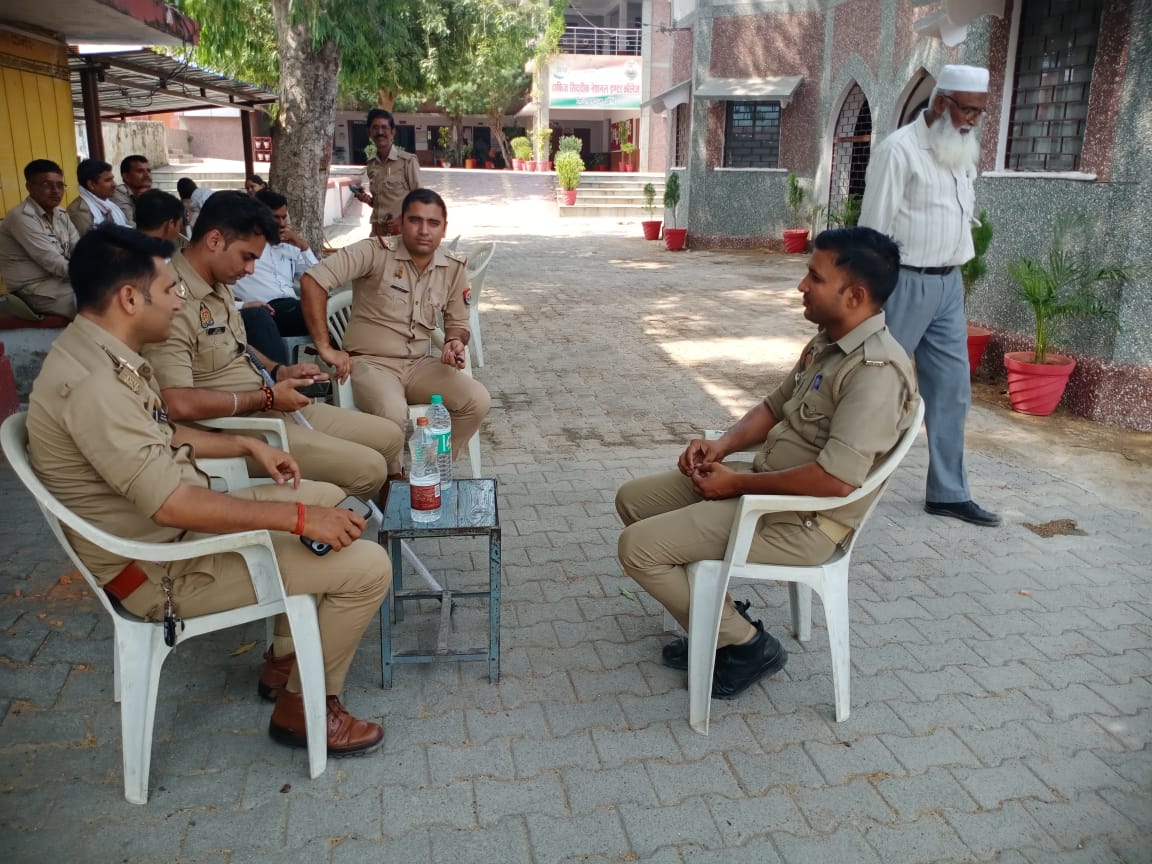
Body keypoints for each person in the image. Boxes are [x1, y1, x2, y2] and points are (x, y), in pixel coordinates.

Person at [27, 225, 388, 754]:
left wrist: (245, 445)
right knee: (368, 567)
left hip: (178, 534)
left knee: (328, 499)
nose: (177, 302)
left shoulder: (99, 353)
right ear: (129, 298)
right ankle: (304, 710)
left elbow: (160, 432)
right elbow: (171, 505)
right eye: (167, 290)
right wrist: (296, 520)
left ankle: (286, 660)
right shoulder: (93, 387)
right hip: (163, 568)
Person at [616, 227, 918, 699]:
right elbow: (775, 407)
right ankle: (717, 618)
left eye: (814, 278)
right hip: (764, 484)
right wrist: (721, 447)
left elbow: (836, 481)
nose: (801, 286)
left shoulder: (875, 373)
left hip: (803, 521)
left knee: (638, 549)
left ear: (855, 296)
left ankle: (746, 645)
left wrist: (736, 486)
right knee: (633, 501)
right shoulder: (828, 342)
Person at [140, 190, 402, 498]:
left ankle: (354, 509)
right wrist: (265, 397)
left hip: (269, 407)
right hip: (234, 429)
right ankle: (324, 513)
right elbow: (176, 403)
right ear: (214, 241)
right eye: (247, 257)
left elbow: (237, 348)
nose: (250, 270)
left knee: (390, 436)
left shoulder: (218, 284)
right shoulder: (171, 300)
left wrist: (279, 371)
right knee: (369, 469)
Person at [859, 64, 1000, 527]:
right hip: (904, 283)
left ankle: (948, 492)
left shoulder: (960, 150)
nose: (972, 121)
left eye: (979, 113)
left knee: (953, 391)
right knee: (878, 385)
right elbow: (873, 231)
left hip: (948, 285)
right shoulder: (899, 151)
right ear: (940, 102)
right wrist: (869, 295)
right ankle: (846, 481)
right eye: (967, 110)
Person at [301, 188, 490, 476]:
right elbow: (313, 280)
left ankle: (430, 471)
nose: (424, 230)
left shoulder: (452, 267)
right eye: (415, 220)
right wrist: (325, 347)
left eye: (433, 223)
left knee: (477, 399)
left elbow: (459, 322)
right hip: (371, 364)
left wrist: (454, 340)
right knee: (393, 413)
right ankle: (392, 481)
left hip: (419, 365)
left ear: (444, 229)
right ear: (401, 222)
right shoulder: (374, 252)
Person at [232, 189, 318, 365]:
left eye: (284, 217)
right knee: (320, 309)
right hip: (264, 310)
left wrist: (303, 246)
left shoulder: (290, 245)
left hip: (293, 309)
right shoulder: (243, 248)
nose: (281, 223)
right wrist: (242, 305)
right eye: (275, 217)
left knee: (338, 309)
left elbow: (319, 279)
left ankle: (348, 367)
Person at [0, 159, 79, 318]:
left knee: (112, 291)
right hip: (33, 289)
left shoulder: (61, 213)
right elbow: (51, 260)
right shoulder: (21, 217)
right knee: (98, 304)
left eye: (60, 185)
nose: (55, 191)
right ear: (29, 187)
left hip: (62, 280)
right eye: (46, 185)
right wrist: (91, 273)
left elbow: (78, 247)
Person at [352, 109, 421, 237]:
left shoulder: (407, 161)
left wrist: (401, 219)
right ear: (369, 132)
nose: (380, 132)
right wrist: (368, 200)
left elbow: (420, 199)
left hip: (399, 235)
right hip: (376, 233)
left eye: (384, 127)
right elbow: (380, 202)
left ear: (393, 132)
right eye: (375, 128)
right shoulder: (372, 164)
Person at [67, 158, 128, 235]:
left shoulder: (110, 204)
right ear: (91, 185)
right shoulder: (79, 212)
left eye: (112, 179)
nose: (114, 184)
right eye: (108, 180)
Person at [111, 155, 153, 225]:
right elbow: (129, 225)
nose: (147, 175)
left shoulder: (151, 193)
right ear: (126, 177)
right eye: (140, 171)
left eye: (148, 171)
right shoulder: (117, 195)